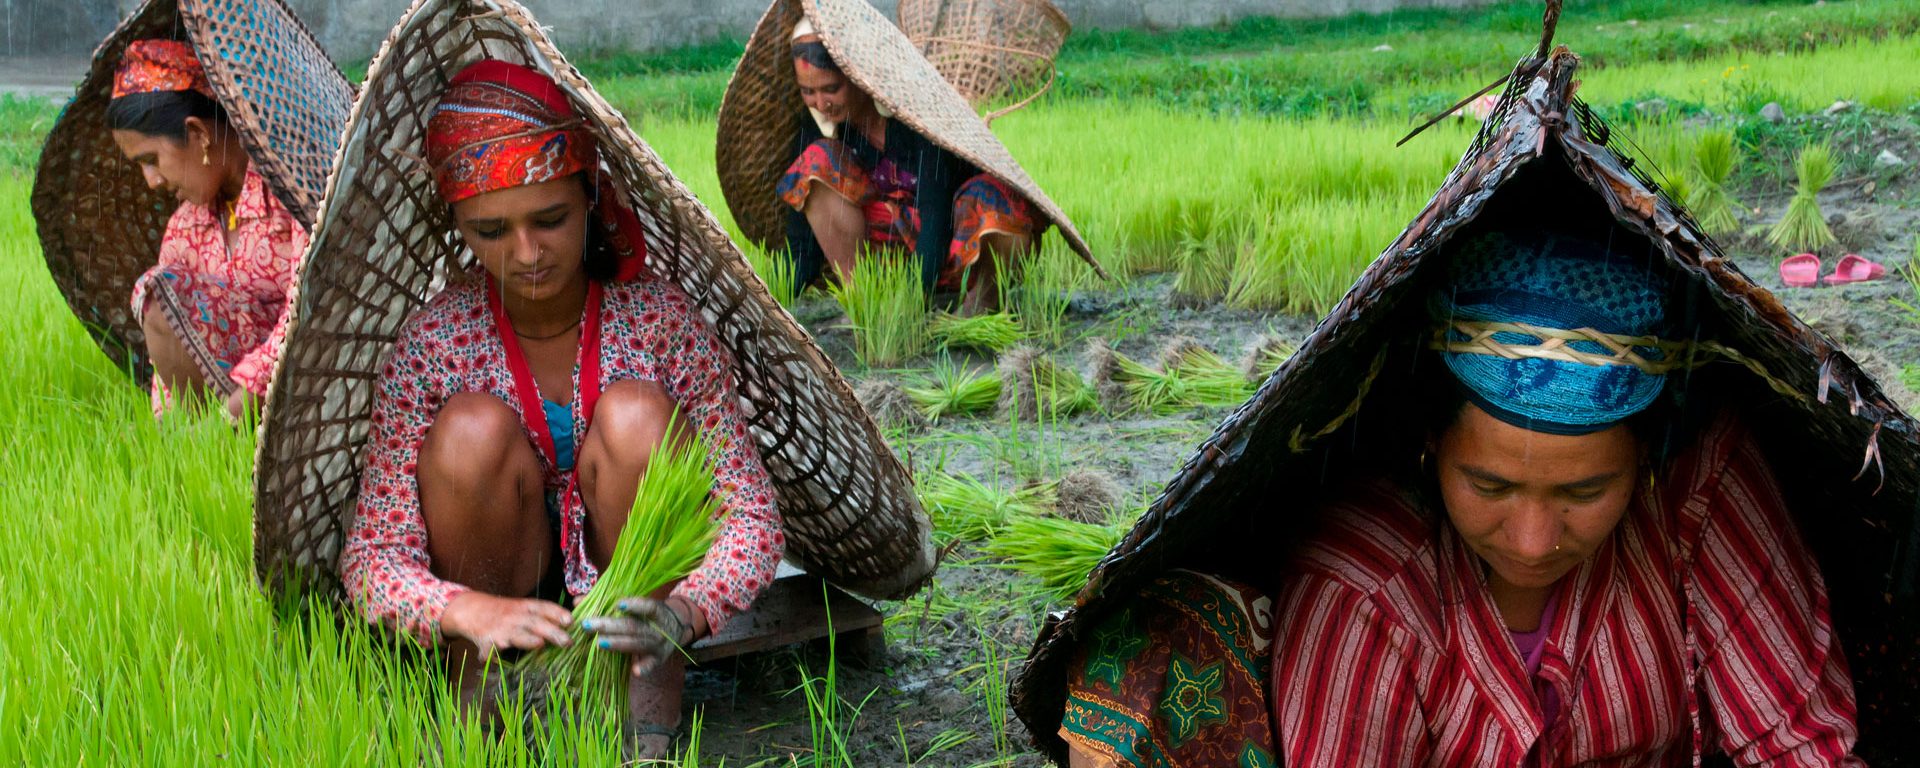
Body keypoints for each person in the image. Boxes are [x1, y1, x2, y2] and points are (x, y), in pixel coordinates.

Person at [1060, 230, 1862, 767]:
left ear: (1647, 456)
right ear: (1429, 442)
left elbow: (1803, 748)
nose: (1534, 537)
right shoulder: (1368, 586)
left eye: (1586, 489)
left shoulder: (1699, 492)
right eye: (1491, 485)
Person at [338, 60, 783, 757]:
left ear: (591, 199)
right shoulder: (435, 344)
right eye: (491, 231)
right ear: (456, 223)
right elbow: (372, 556)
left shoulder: (658, 322)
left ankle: (645, 688)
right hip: (497, 578)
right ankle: (481, 691)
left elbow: (750, 512)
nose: (526, 253)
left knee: (638, 417)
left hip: (635, 592)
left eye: (550, 220)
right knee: (468, 432)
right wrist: (465, 609)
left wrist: (685, 610)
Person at [777, 19, 1038, 313]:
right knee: (816, 160)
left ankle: (978, 307)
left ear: (857, 78)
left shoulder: (920, 127)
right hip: (893, 264)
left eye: (831, 89)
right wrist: (775, 299)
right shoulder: (826, 132)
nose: (820, 103)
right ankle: (863, 300)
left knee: (993, 195)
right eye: (808, 91)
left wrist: (908, 308)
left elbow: (936, 222)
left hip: (956, 253)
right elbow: (802, 245)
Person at [107, 39, 304, 419]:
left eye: (152, 160)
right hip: (224, 419)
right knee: (160, 296)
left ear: (198, 134)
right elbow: (166, 365)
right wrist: (178, 439)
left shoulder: (290, 195)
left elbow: (306, 318)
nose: (151, 181)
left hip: (301, 389)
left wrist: (234, 411)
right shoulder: (185, 227)